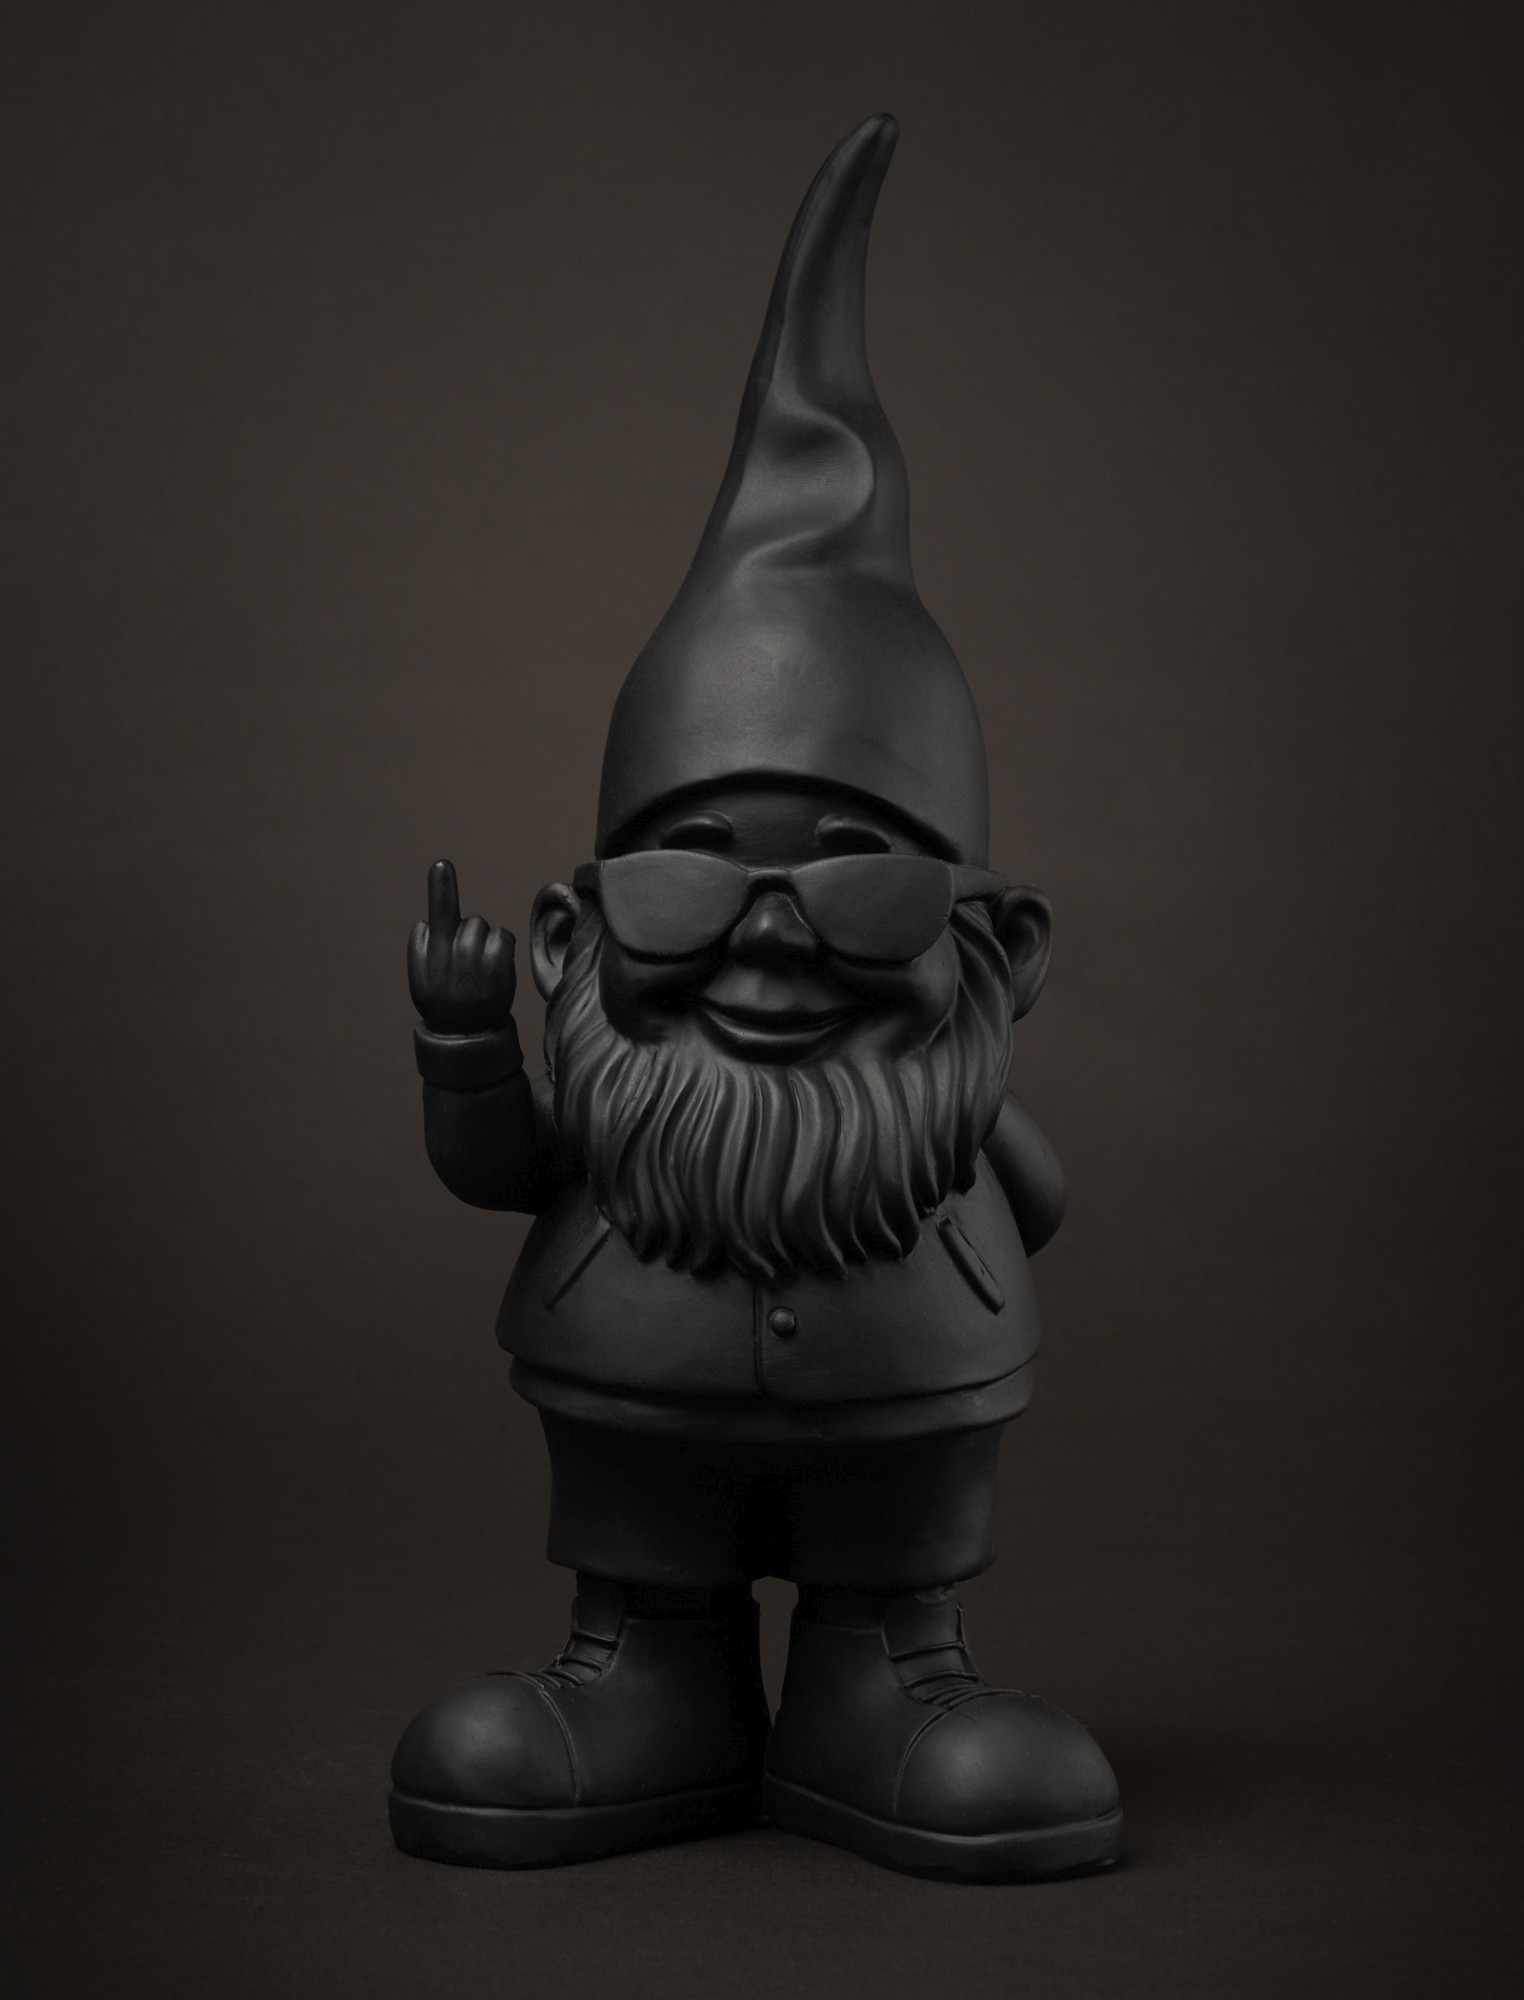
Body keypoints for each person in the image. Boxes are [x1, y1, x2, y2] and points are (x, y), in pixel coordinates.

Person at [389, 114, 1121, 1883]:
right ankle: (649, 1673)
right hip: (632, 1414)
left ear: (999, 944)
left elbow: (1039, 1199)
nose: (770, 941)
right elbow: (501, 1166)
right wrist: (465, 1050)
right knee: (641, 1585)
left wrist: (965, 1108)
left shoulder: (944, 1106)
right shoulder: (618, 1099)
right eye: (693, 871)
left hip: (905, 1417)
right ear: (572, 929)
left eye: (859, 876)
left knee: (893, 1600)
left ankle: (890, 1681)